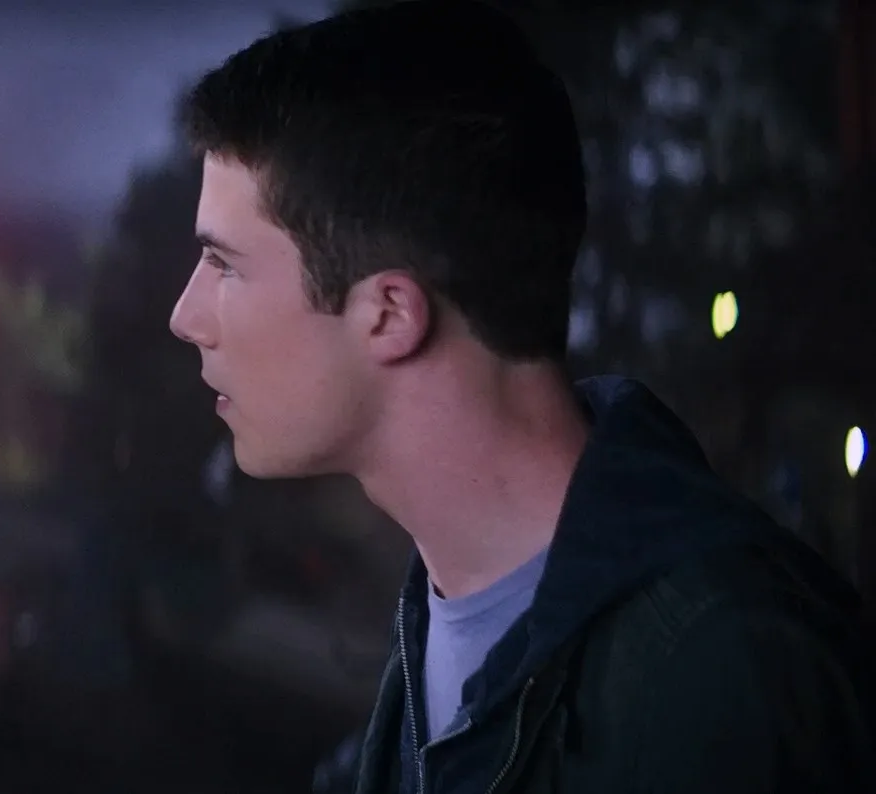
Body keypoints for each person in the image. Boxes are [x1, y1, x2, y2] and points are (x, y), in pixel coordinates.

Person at [169, 1, 874, 792]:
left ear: (390, 314)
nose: (185, 316)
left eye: (224, 265)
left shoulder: (725, 677)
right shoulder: (445, 622)